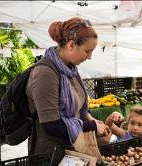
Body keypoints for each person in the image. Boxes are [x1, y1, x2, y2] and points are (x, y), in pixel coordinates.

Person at [25, 17, 109, 158]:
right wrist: (91, 127)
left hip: (71, 147)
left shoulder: (71, 70)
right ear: (71, 45)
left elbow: (79, 108)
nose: (90, 57)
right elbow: (52, 125)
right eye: (87, 51)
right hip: (50, 153)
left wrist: (90, 119)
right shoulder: (44, 74)